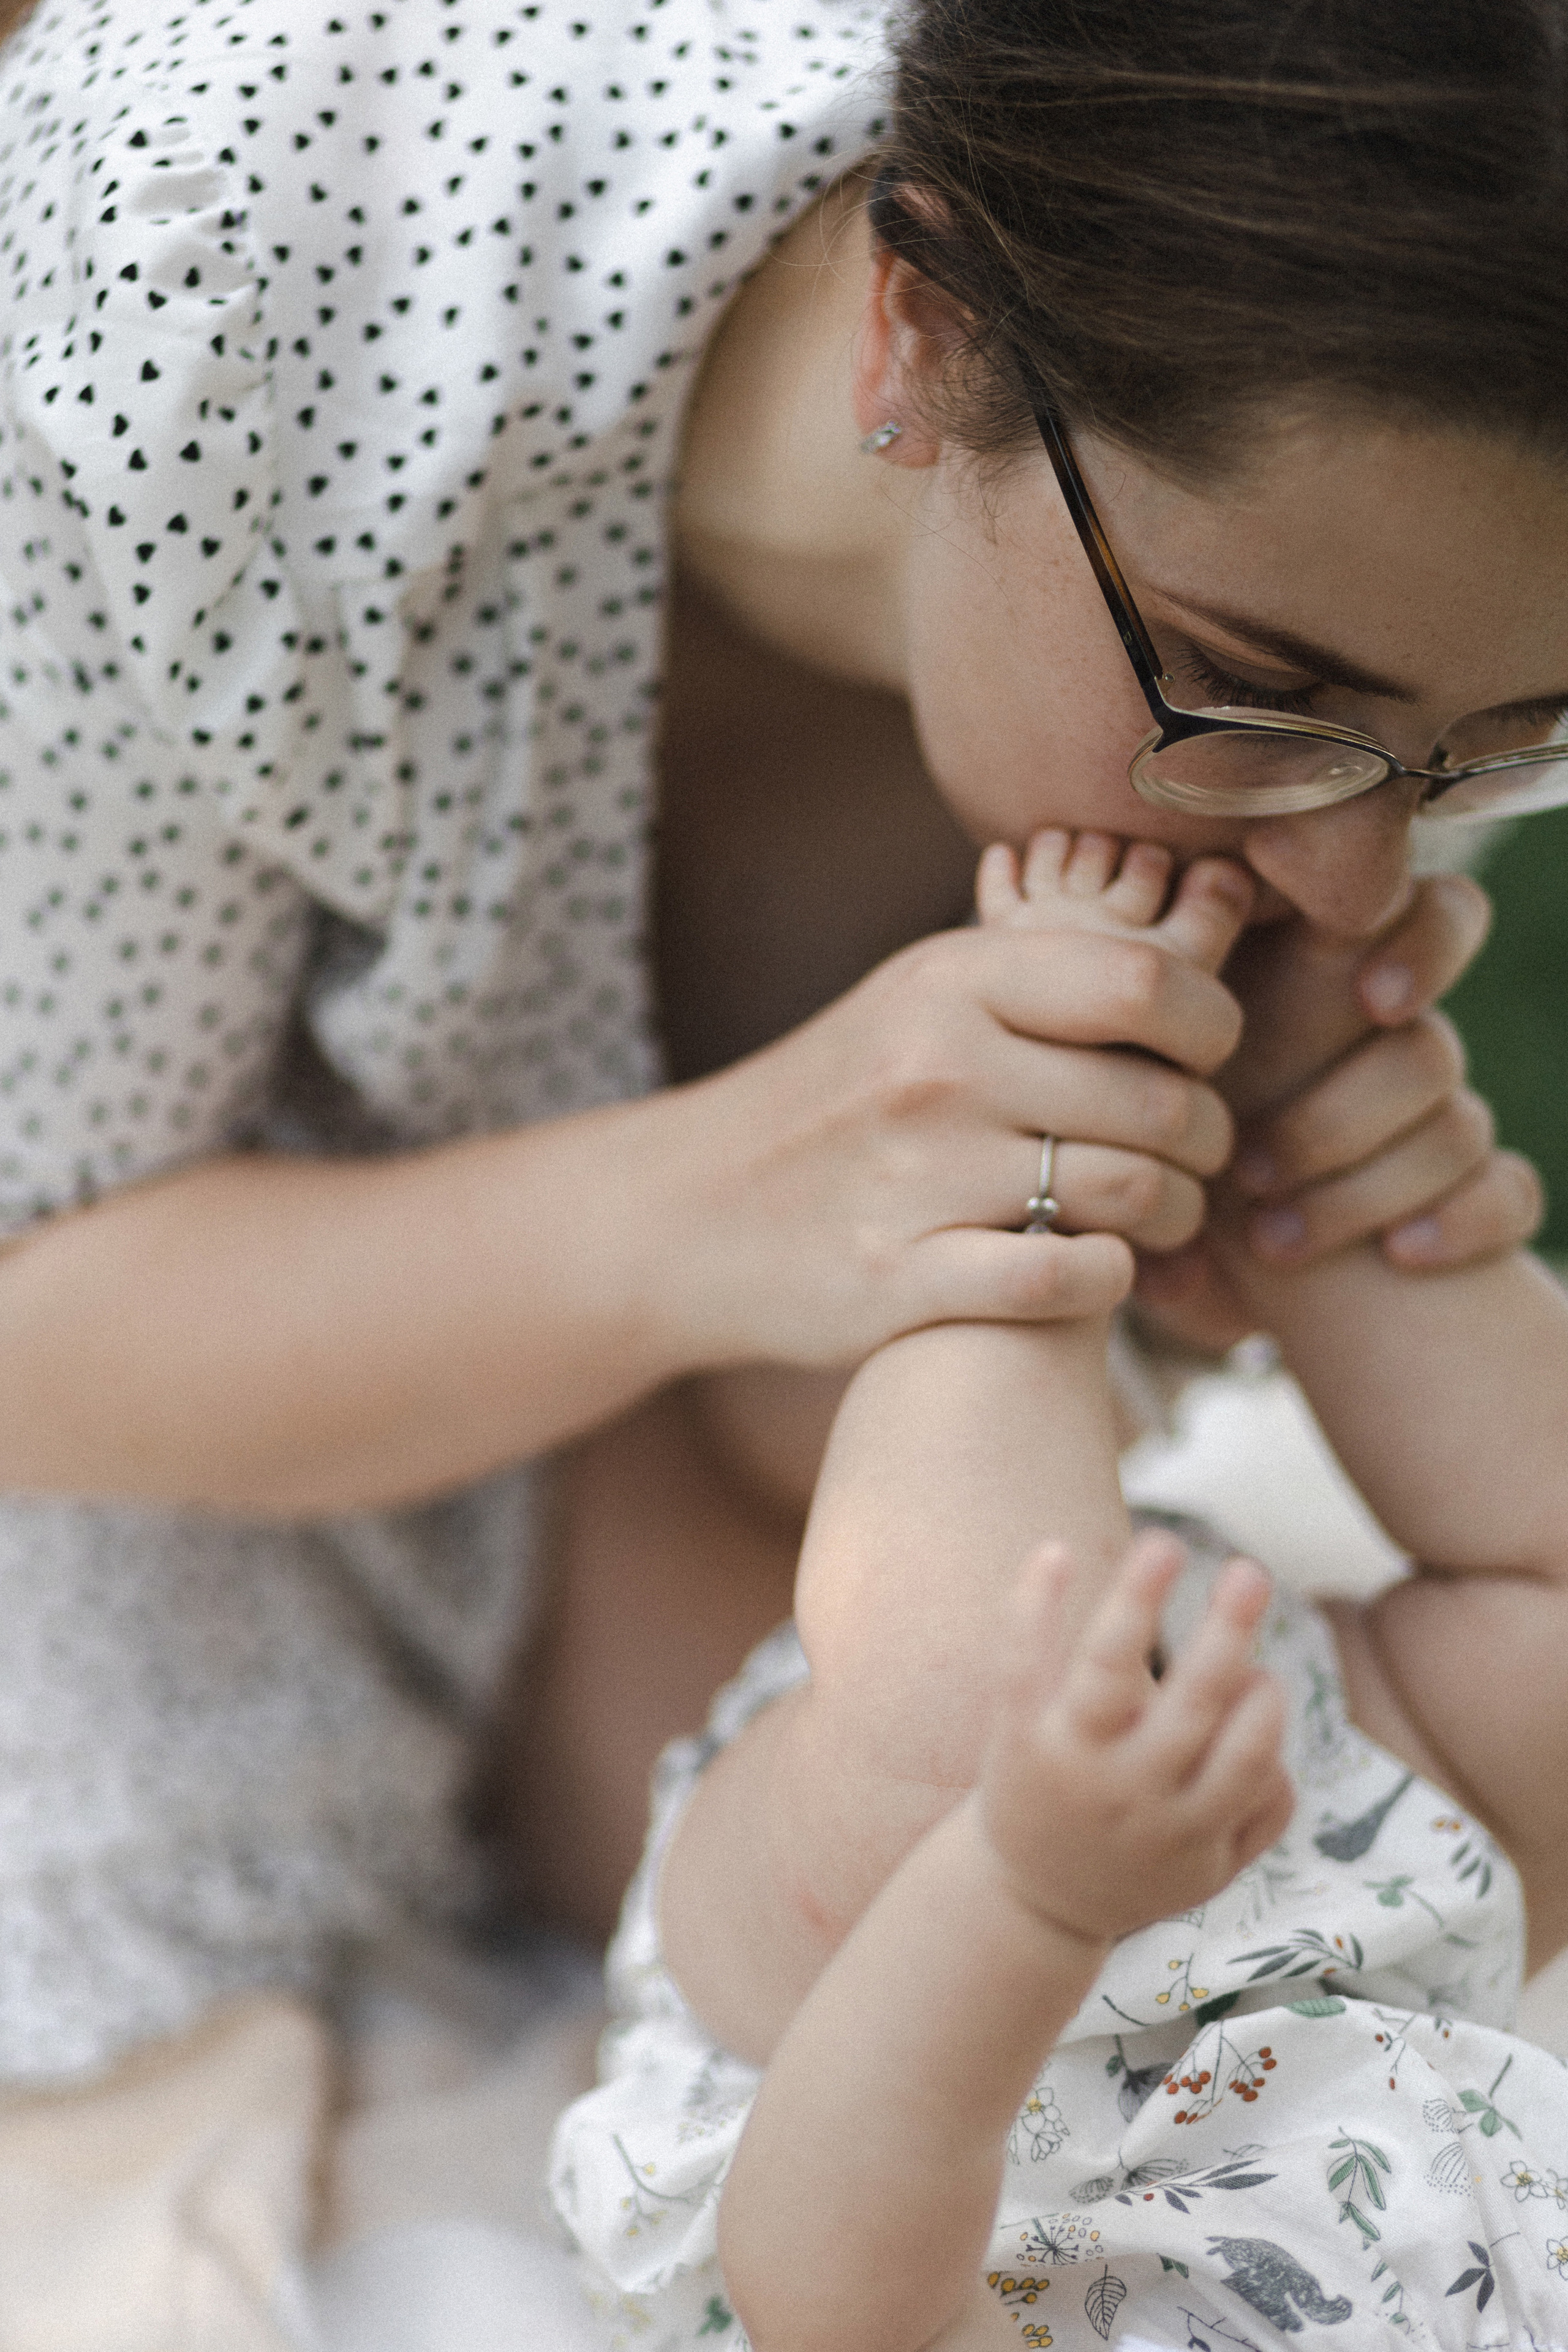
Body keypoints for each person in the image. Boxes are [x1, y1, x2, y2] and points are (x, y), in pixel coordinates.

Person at [0, 0, 1550, 2094]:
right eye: (1254, 689)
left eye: (1505, 741)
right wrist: (731, 1200)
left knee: (1049, 1978)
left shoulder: (1301, 576)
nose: (1363, 887)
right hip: (174, 1409)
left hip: (727, 1451)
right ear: (918, 321)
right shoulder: (207, 285)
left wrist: (1277, 1202)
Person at [549, 829, 1568, 2348]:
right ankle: (1322, 1169)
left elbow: (833, 2275)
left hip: (896, 2017)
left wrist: (1029, 1891)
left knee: (952, 1729)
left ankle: (1038, 1153)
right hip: (1365, 1935)